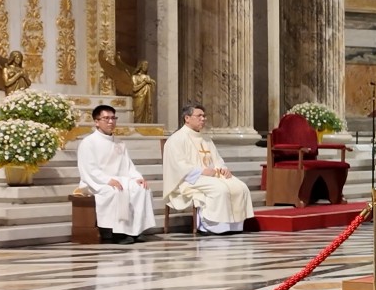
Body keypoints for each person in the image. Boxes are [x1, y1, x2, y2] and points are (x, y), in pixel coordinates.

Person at [162, 102, 255, 234]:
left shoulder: (206, 139)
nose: (203, 119)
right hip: (189, 180)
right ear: (187, 118)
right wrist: (201, 171)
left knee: (241, 187)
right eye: (199, 116)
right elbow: (178, 166)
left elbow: (217, 159)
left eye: (204, 116)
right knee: (220, 189)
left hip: (210, 176)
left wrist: (223, 168)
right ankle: (211, 226)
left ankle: (233, 226)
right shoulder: (176, 139)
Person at [77, 104, 154, 243]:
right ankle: (117, 233)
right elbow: (89, 169)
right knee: (116, 191)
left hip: (119, 179)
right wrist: (107, 180)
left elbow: (128, 165)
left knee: (140, 188)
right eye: (106, 118)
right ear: (96, 121)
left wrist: (137, 177)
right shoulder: (88, 142)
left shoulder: (119, 143)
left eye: (113, 118)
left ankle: (136, 230)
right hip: (95, 182)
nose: (111, 121)